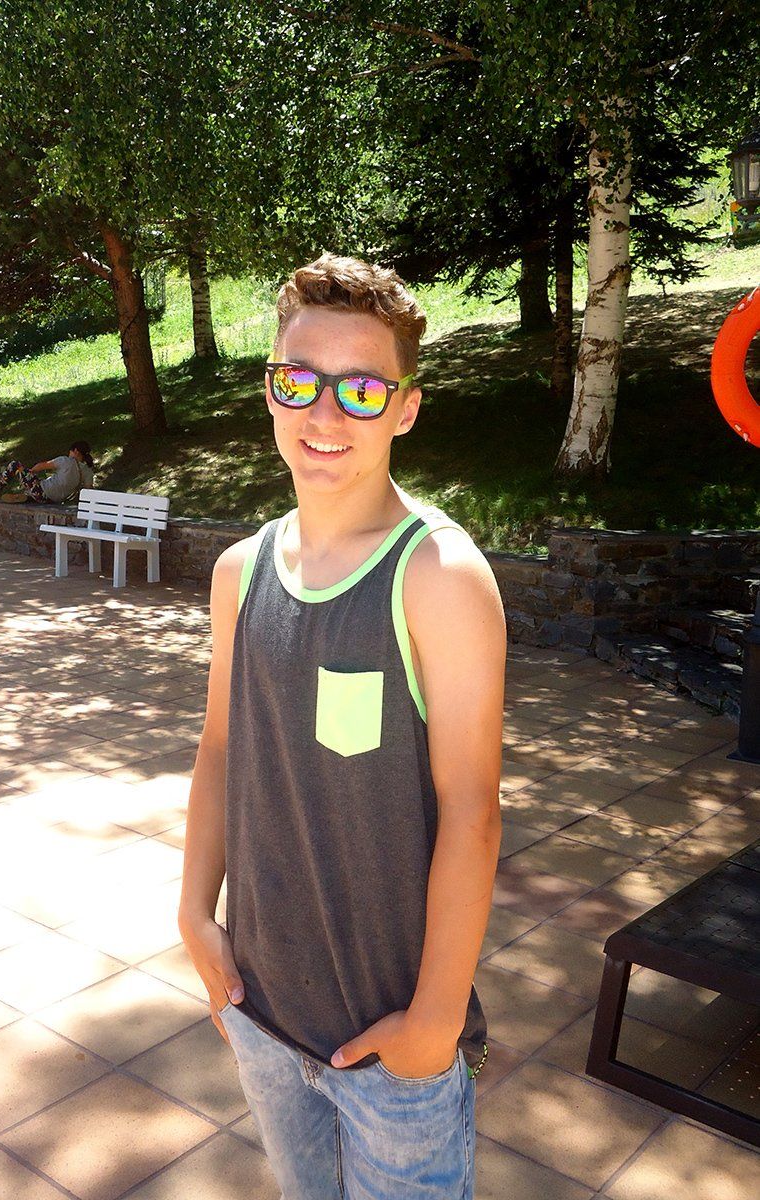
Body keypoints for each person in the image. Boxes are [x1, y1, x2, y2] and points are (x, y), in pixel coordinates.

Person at [178, 253, 505, 1200]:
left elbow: (473, 812)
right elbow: (222, 751)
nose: (326, 415)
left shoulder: (437, 576)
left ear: (405, 408)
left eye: (362, 390)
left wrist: (433, 1023)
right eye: (301, 382)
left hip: (393, 1045)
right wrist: (195, 914)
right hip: (262, 1014)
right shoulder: (240, 571)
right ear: (270, 390)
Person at [0, 440, 94, 504]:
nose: (69, 454)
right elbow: (88, 491)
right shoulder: (88, 471)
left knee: (15, 464)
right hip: (54, 501)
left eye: (70, 452)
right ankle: (27, 497)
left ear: (75, 451)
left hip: (42, 492)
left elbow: (42, 465)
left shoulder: (65, 461)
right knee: (38, 487)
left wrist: (29, 472)